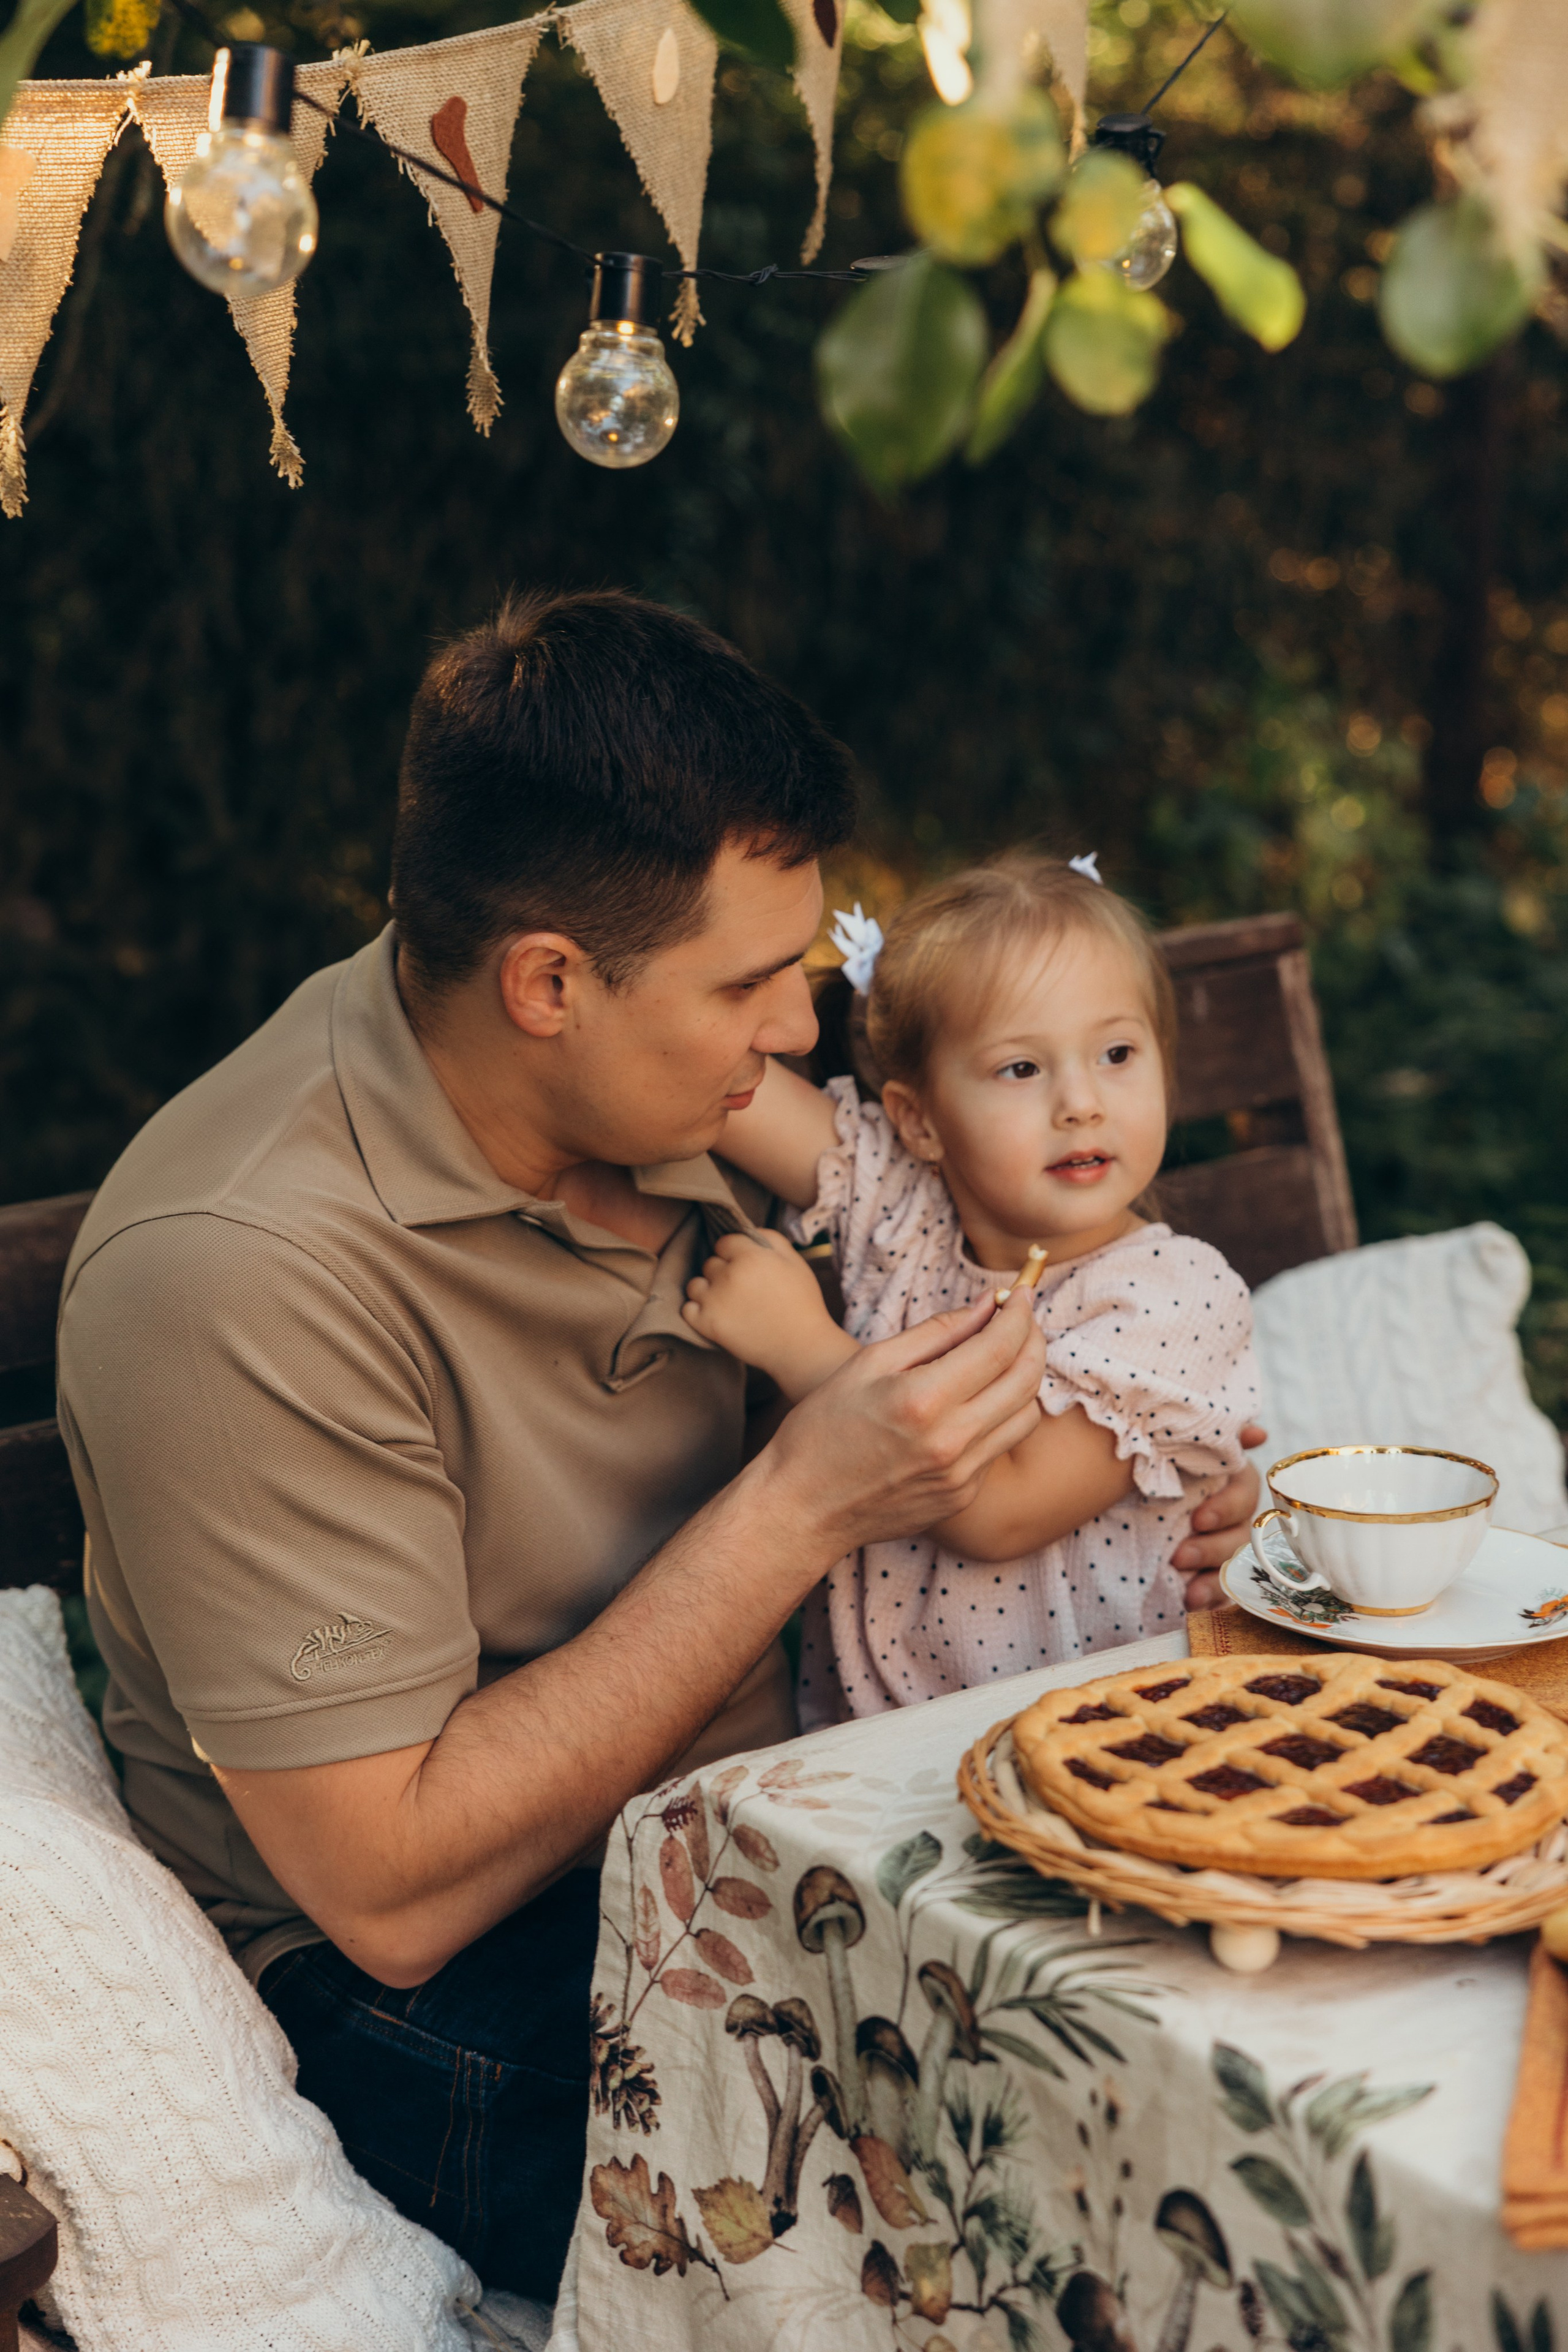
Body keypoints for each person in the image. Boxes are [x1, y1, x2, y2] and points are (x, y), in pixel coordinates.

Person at [54, 594, 1262, 2303]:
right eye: (755, 983)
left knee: (1261, 2017)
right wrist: (802, 1500)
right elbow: (392, 1893)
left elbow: (1026, 1290)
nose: (801, 1029)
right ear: (548, 983)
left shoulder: (670, 1095)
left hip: (789, 1816)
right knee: (1086, 2177)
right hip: (453, 1988)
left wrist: (1171, 1514)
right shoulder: (239, 1270)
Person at [682, 852, 1260, 1725]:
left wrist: (802, 1347)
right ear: (920, 1121)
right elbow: (723, 1084)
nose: (1081, 1103)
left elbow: (999, 1510)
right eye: (1022, 1069)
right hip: (879, 1741)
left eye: (1116, 1053)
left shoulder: (1168, 1298)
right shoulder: (905, 1207)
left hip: (1104, 1735)